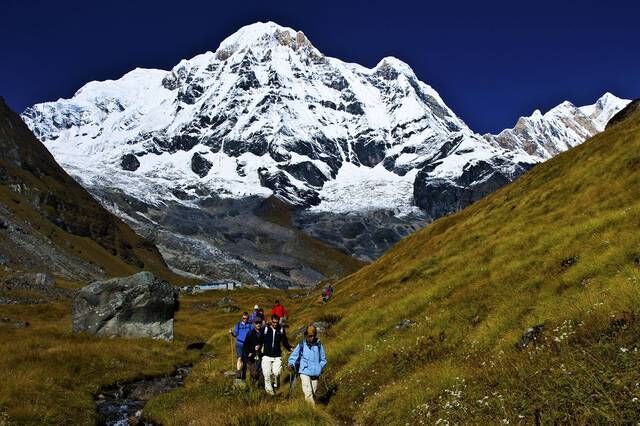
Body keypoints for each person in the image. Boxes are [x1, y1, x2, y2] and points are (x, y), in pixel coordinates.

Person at [288, 324, 327, 405]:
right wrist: (291, 363)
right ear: (306, 335)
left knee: (313, 392)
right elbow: (293, 356)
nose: (311, 338)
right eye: (310, 336)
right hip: (304, 371)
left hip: (315, 373)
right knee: (308, 392)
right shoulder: (301, 344)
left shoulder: (319, 345)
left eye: (313, 336)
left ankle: (312, 407)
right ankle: (312, 410)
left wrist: (320, 367)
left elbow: (323, 359)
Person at [261, 314, 292, 395]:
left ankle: (275, 385)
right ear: (271, 321)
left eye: (276, 322)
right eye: (273, 322)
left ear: (278, 322)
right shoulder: (266, 329)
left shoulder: (281, 330)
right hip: (266, 355)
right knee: (267, 374)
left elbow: (285, 342)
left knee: (276, 373)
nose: (275, 324)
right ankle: (270, 394)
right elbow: (259, 338)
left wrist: (290, 348)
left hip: (277, 356)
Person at [229, 312, 252, 378]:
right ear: (242, 318)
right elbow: (235, 334)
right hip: (239, 344)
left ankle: (244, 374)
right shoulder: (238, 325)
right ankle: (238, 372)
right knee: (239, 358)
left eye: (246, 318)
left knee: (245, 360)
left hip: (247, 345)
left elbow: (254, 332)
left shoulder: (250, 325)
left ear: (248, 318)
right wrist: (232, 333)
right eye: (244, 318)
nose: (245, 319)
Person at [242, 316, 264, 384]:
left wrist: (260, 346)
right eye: (256, 323)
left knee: (261, 373)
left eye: (259, 323)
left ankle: (261, 387)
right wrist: (248, 352)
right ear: (254, 324)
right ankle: (252, 386)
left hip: (261, 356)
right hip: (251, 357)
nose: (258, 324)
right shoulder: (250, 333)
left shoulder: (264, 332)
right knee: (253, 373)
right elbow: (245, 345)